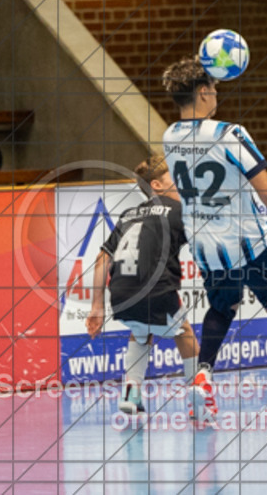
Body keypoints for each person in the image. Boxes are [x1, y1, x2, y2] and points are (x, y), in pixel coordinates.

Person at [161, 57, 267, 426]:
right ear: (202, 92)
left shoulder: (169, 137)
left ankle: (203, 375)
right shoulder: (229, 133)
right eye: (213, 89)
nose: (216, 95)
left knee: (222, 307)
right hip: (246, 240)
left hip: (207, 246)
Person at [85, 156, 199, 416]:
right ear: (157, 185)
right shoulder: (179, 211)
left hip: (122, 295)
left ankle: (130, 393)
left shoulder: (129, 215)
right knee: (185, 334)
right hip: (156, 289)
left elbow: (102, 258)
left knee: (141, 328)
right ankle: (197, 399)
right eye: (176, 179)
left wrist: (96, 307)